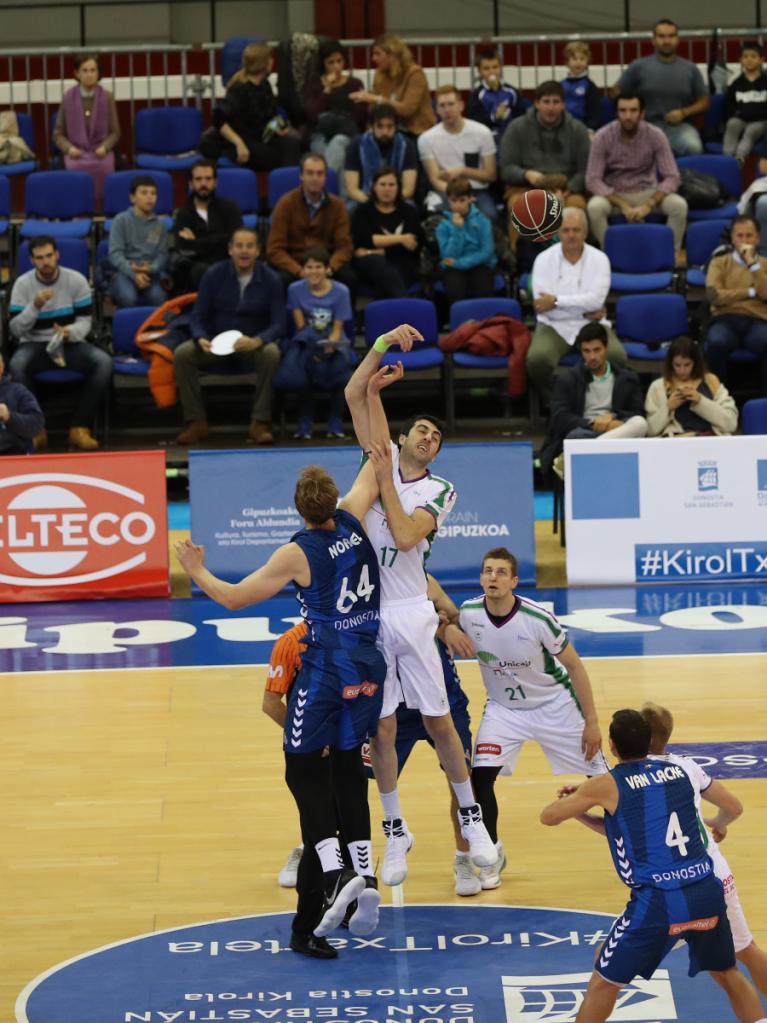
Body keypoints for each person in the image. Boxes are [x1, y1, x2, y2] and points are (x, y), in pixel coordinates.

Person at [174, 456, 394, 956]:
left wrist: (196, 568)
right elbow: (372, 468)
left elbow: (231, 598)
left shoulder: (298, 553)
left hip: (327, 670)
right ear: (334, 500)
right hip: (368, 666)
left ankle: (337, 876)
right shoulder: (355, 521)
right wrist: (370, 401)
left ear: (298, 510)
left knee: (301, 775)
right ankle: (362, 874)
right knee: (344, 772)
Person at [344, 326, 497, 887]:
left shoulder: (441, 490)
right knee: (381, 731)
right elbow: (354, 393)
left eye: (438, 435)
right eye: (423, 431)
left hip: (411, 607)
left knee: (439, 723)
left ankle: (473, 821)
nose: (431, 437)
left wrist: (383, 477)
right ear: (402, 438)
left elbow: (406, 537)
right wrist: (381, 345)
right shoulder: (374, 461)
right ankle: (394, 830)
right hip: (368, 613)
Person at [264, 572, 485, 899]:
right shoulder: (358, 583)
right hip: (392, 707)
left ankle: (465, 855)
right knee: (346, 778)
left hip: (441, 702)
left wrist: (447, 624)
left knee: (461, 773)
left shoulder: (419, 580)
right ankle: (316, 845)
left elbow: (450, 614)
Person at [540, 709, 767, 1023]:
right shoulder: (683, 771)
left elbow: (548, 817)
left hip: (659, 901)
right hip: (705, 890)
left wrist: (580, 798)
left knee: (604, 980)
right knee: (728, 972)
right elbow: (640, 827)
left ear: (613, 747)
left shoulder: (607, 784)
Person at [460, 546, 605, 889]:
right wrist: (444, 626)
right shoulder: (467, 613)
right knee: (479, 779)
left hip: (555, 706)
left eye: (500, 572)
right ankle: (492, 854)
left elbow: (575, 666)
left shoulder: (538, 618)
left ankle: (633, 843)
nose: (492, 577)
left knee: (603, 780)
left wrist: (593, 721)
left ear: (514, 580)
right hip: (503, 710)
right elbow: (441, 621)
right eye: (487, 571)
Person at [640, 702, 767, 1000]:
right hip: (714, 873)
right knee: (744, 949)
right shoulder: (687, 766)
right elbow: (733, 807)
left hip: (671, 882)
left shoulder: (629, 774)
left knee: (610, 961)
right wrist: (716, 824)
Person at [173, 227, 283, 445]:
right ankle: (196, 422)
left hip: (251, 344)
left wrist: (258, 340)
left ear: (258, 251)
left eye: (249, 246)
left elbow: (279, 323)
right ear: (230, 250)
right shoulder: (214, 274)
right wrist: (200, 337)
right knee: (183, 353)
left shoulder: (272, 280)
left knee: (271, 353)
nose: (244, 251)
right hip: (215, 343)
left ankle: (259, 423)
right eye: (239, 246)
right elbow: (197, 316)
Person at [9, 235, 111, 452]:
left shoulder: (76, 280)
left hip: (69, 343)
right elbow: (15, 330)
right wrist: (34, 306)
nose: (45, 262)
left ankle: (80, 428)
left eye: (49, 256)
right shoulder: (22, 284)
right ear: (32, 260)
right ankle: (35, 430)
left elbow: (85, 322)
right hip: (34, 344)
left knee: (103, 363)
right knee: (17, 365)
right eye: (39, 258)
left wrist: (69, 332)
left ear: (57, 255)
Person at [528, 207, 626, 407]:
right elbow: (541, 303)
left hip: (592, 324)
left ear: (585, 232)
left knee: (617, 356)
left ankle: (599, 403)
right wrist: (583, 307)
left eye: (576, 230)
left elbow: (596, 302)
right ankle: (555, 402)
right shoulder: (543, 260)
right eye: (565, 230)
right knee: (537, 359)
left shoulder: (600, 259)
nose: (571, 235)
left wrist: (555, 301)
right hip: (554, 325)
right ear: (557, 232)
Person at [538, 322, 647, 480]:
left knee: (640, 423)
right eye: (586, 351)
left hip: (616, 431)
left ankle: (576, 458)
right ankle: (589, 452)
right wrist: (592, 424)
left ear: (606, 348)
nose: (592, 357)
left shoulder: (626, 377)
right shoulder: (568, 379)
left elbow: (637, 411)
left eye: (597, 350)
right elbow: (559, 418)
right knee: (574, 438)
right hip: (583, 432)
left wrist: (613, 416)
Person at [586, 93, 688, 252]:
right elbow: (593, 180)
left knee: (679, 206)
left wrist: (649, 204)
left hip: (648, 191)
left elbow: (672, 177)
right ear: (616, 113)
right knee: (594, 207)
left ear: (642, 113)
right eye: (623, 111)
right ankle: (611, 255)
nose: (628, 116)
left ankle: (669, 257)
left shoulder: (656, 135)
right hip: (614, 194)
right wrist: (623, 204)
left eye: (633, 111)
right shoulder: (602, 136)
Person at [499, 80, 590, 240]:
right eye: (546, 102)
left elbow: (585, 171)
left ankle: (575, 256)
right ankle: (516, 257)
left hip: (566, 189)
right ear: (536, 104)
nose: (551, 108)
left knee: (578, 207)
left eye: (556, 102)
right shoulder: (516, 128)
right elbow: (506, 169)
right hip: (526, 187)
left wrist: (568, 188)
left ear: (563, 105)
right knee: (517, 205)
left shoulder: (577, 129)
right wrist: (526, 174)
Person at [286, 246, 353, 440]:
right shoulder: (295, 290)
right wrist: (315, 350)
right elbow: (301, 327)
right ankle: (305, 420)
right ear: (303, 270)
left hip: (334, 340)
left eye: (318, 267)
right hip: (307, 340)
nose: (314, 271)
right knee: (306, 367)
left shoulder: (341, 291)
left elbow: (338, 329)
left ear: (326, 269)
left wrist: (329, 348)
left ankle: (335, 420)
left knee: (341, 371)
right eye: (309, 267)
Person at [615, 19, 709, 156]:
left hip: (680, 127)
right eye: (662, 36)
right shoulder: (638, 66)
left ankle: (688, 178)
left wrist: (684, 113)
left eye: (671, 36)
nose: (666, 41)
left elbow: (704, 102)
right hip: (644, 126)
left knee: (694, 147)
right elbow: (617, 93)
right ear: (653, 40)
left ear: (677, 39)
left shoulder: (690, 69)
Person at [267, 152, 355, 296]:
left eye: (320, 174)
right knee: (279, 281)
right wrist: (299, 271)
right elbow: (274, 249)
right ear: (301, 176)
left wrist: (329, 268)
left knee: (350, 279)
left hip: (326, 265)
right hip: (294, 264)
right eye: (310, 173)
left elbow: (344, 246)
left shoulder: (338, 206)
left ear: (325, 177)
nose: (315, 178)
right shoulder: (285, 203)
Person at [211, 42, 300, 171]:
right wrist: (239, 143)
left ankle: (288, 183)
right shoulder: (239, 89)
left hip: (263, 136)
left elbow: (271, 115)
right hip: (242, 140)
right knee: (276, 155)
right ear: (263, 63)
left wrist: (279, 127)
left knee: (293, 143)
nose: (272, 62)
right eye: (270, 59)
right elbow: (218, 119)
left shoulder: (265, 85)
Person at [705, 215, 767, 393]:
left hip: (758, 320)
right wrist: (750, 292)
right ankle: (718, 398)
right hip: (725, 319)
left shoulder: (764, 265)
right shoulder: (718, 263)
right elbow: (715, 296)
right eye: (740, 236)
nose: (744, 241)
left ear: (757, 238)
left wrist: (753, 266)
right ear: (732, 238)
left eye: (749, 236)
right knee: (716, 342)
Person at [418, 85, 498, 220]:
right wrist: (458, 197)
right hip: (446, 191)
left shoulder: (482, 132)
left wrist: (462, 171)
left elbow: (490, 175)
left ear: (461, 105)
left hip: (477, 191)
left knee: (489, 215)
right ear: (436, 109)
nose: (447, 109)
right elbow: (435, 179)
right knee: (438, 217)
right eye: (442, 105)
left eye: (451, 104)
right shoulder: (426, 139)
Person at [54, 53, 120, 206]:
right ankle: (77, 209)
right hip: (76, 153)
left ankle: (102, 211)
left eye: (93, 70)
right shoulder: (68, 97)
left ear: (98, 73)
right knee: (75, 168)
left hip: (100, 152)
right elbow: (58, 134)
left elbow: (115, 132)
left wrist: (105, 146)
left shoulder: (107, 97)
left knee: (105, 166)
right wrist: (69, 149)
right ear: (77, 73)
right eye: (85, 70)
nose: (89, 75)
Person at [303, 39, 367, 191]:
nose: (336, 66)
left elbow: (360, 115)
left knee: (339, 143)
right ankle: (343, 205)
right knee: (336, 157)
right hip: (320, 134)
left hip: (346, 134)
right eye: (331, 62)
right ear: (323, 64)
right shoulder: (313, 85)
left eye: (339, 61)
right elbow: (312, 114)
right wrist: (326, 90)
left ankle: (320, 189)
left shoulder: (354, 83)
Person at [171, 159, 243, 292]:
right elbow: (184, 248)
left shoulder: (230, 208)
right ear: (191, 184)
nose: (203, 183)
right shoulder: (183, 214)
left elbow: (236, 241)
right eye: (198, 179)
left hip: (229, 263)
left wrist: (197, 242)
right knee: (199, 271)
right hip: (198, 269)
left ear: (215, 182)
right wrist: (220, 239)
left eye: (208, 179)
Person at [645, 336, 738, 437]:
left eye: (687, 365)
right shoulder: (658, 387)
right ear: (670, 364)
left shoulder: (711, 381)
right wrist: (668, 407)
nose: (682, 371)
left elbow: (731, 424)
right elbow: (650, 431)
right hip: (677, 443)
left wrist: (701, 402)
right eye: (677, 365)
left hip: (710, 440)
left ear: (695, 362)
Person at [352, 167, 423, 298]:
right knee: (379, 265)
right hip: (370, 264)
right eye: (382, 184)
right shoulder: (363, 211)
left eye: (391, 185)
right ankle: (404, 310)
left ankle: (384, 314)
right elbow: (365, 240)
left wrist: (375, 250)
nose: (387, 189)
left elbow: (412, 246)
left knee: (388, 277)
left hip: (403, 263)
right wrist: (401, 239)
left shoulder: (410, 212)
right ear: (374, 187)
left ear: (398, 188)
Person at [349, 34, 436, 138]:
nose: (373, 58)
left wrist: (377, 99)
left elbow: (407, 109)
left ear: (392, 55)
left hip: (416, 131)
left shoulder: (415, 74)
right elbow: (375, 108)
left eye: (378, 54)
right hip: (388, 129)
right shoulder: (380, 74)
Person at [107, 175, 170, 308]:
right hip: (124, 271)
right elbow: (115, 254)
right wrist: (133, 274)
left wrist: (151, 268)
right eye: (144, 193)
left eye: (153, 193)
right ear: (132, 198)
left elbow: (162, 255)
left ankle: (154, 329)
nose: (149, 197)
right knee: (127, 297)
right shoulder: (121, 220)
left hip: (151, 273)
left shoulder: (160, 225)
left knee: (159, 297)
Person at [435, 176, 496, 306]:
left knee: (482, 283)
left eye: (462, 200)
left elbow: (487, 252)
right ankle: (460, 324)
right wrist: (458, 229)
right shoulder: (442, 226)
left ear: (470, 198)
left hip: (479, 264)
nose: (457, 205)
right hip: (454, 268)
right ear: (448, 200)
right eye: (453, 200)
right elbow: (448, 256)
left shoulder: (483, 221)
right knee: (454, 286)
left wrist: (460, 263)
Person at [344, 103, 419, 208]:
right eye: (380, 126)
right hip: (365, 198)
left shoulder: (406, 145)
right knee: (350, 209)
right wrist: (374, 203)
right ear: (371, 127)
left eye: (389, 127)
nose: (385, 131)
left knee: (411, 208)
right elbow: (352, 189)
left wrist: (389, 202)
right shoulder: (357, 145)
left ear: (396, 127)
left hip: (398, 199)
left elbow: (408, 189)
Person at [467, 45, 522, 146]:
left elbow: (521, 115)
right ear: (479, 71)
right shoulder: (477, 95)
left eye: (495, 67)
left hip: (511, 140)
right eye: (486, 68)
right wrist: (494, 117)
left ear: (500, 68)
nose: (492, 72)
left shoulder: (512, 92)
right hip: (486, 142)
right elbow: (474, 121)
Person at [723, 42, 767, 164]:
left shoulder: (765, 82)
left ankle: (738, 161)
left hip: (761, 121)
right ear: (740, 60)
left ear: (761, 60)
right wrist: (738, 113)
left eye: (753, 56)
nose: (749, 60)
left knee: (751, 131)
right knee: (732, 124)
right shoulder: (735, 83)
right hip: (740, 118)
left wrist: (755, 114)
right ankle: (726, 160)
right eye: (745, 56)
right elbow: (729, 106)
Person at [0, 351, 44, 455]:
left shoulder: (18, 392)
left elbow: (36, 425)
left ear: (1, 368)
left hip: (14, 456)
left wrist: (10, 417)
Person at [561, 41, 601, 132]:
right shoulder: (561, 85)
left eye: (582, 59)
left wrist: (590, 129)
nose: (578, 62)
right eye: (574, 59)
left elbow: (594, 110)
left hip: (582, 128)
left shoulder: (589, 86)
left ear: (588, 62)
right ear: (567, 62)